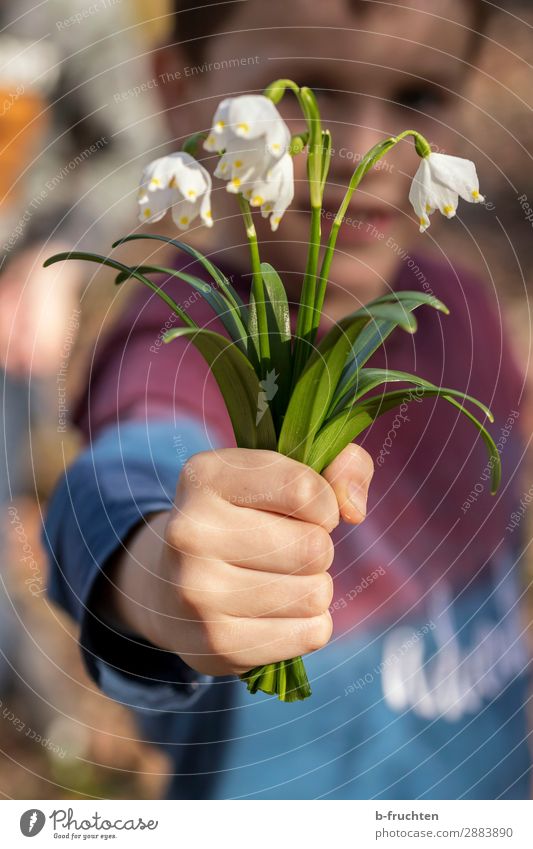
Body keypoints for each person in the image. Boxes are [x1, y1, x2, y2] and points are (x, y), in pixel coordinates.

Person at [44, 0, 531, 799]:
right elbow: (124, 478)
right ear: (179, 89)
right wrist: (161, 569)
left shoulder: (459, 306)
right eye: (306, 87)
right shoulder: (176, 334)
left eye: (417, 98)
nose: (366, 151)